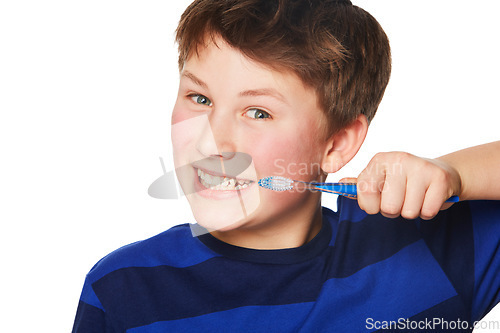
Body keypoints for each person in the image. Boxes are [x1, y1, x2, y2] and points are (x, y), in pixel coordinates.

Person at [72, 0, 500, 331]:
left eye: (258, 112)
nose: (210, 140)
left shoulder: (427, 254)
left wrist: (455, 172)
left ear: (336, 144)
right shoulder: (121, 289)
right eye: (199, 99)